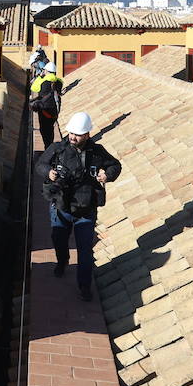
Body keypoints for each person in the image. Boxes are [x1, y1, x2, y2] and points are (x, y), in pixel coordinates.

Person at [34, 111, 120, 301]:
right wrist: (49, 172)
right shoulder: (58, 149)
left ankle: (84, 286)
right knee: (58, 238)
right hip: (61, 206)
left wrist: (107, 175)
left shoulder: (97, 152)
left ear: (87, 134)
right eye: (71, 133)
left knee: (85, 250)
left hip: (86, 208)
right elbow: (40, 164)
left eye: (78, 134)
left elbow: (115, 165)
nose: (73, 137)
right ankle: (62, 260)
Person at [29, 64, 63, 150]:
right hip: (54, 111)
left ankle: (48, 148)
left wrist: (40, 77)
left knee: (44, 131)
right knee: (50, 130)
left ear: (46, 71)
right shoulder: (59, 81)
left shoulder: (43, 82)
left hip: (44, 111)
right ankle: (50, 146)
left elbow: (33, 88)